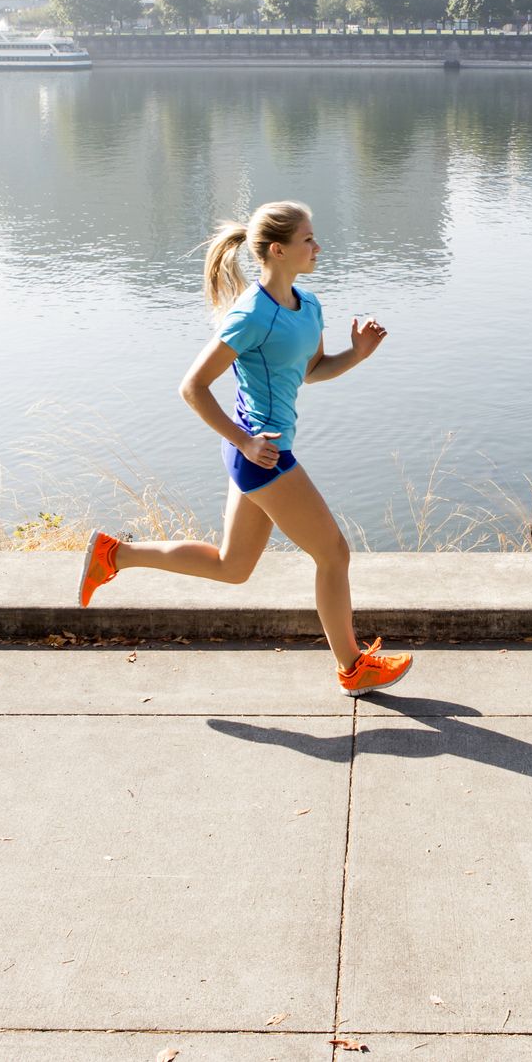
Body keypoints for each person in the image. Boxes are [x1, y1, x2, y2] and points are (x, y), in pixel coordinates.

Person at [76, 200, 412, 697]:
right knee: (334, 553)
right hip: (262, 454)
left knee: (232, 567)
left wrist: (357, 355)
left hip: (259, 452)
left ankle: (114, 555)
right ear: (277, 250)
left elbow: (311, 371)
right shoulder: (251, 314)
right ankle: (352, 665)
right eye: (307, 240)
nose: (317, 247)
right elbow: (193, 386)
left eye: (314, 237)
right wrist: (245, 441)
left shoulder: (310, 305)